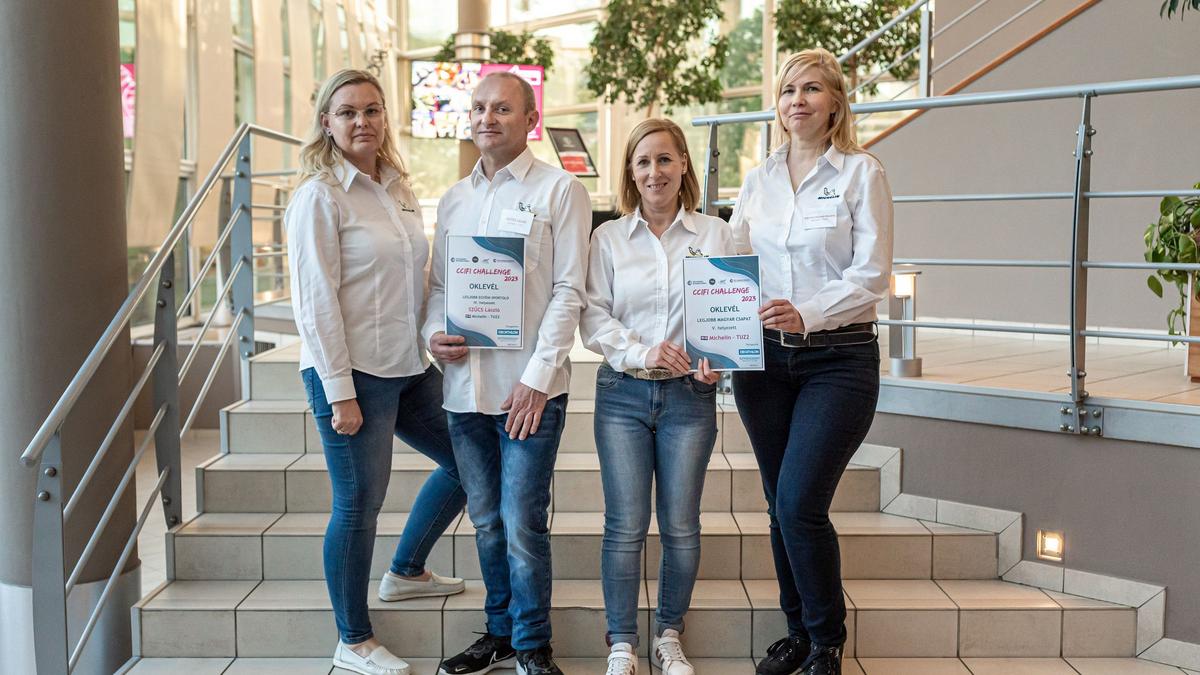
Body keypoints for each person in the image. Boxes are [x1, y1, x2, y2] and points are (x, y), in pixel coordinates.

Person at [285, 68, 467, 675]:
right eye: (347, 112)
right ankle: (353, 638)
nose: (361, 121)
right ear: (326, 123)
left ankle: (407, 571)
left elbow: (415, 280)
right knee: (359, 504)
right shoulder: (319, 196)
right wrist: (339, 392)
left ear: (385, 117)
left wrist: (431, 337)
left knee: (471, 460)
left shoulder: (395, 187)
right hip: (352, 372)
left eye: (371, 109)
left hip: (407, 365)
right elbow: (314, 303)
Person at [729, 49, 894, 675]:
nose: (797, 100)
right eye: (788, 90)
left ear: (835, 104)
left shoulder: (861, 173)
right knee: (779, 504)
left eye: (812, 89)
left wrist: (808, 312)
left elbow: (872, 275)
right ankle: (797, 632)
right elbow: (732, 263)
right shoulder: (758, 180)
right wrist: (710, 334)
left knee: (799, 502)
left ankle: (827, 642)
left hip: (839, 359)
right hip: (763, 364)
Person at [425, 72, 591, 675]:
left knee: (522, 524)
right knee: (487, 521)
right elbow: (437, 288)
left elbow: (570, 291)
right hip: (464, 390)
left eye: (501, 108)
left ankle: (532, 644)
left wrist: (538, 377)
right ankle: (499, 633)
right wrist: (431, 336)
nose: (486, 118)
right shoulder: (453, 199)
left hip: (530, 393)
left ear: (530, 120)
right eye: (478, 108)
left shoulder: (560, 191)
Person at [580, 118, 729, 675]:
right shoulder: (608, 239)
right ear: (630, 171)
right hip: (622, 396)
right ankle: (622, 642)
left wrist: (720, 361)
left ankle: (669, 635)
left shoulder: (715, 234)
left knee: (681, 525)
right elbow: (593, 318)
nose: (654, 172)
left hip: (690, 398)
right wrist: (644, 351)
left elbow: (730, 310)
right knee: (624, 525)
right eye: (643, 162)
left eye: (665, 159)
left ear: (684, 164)